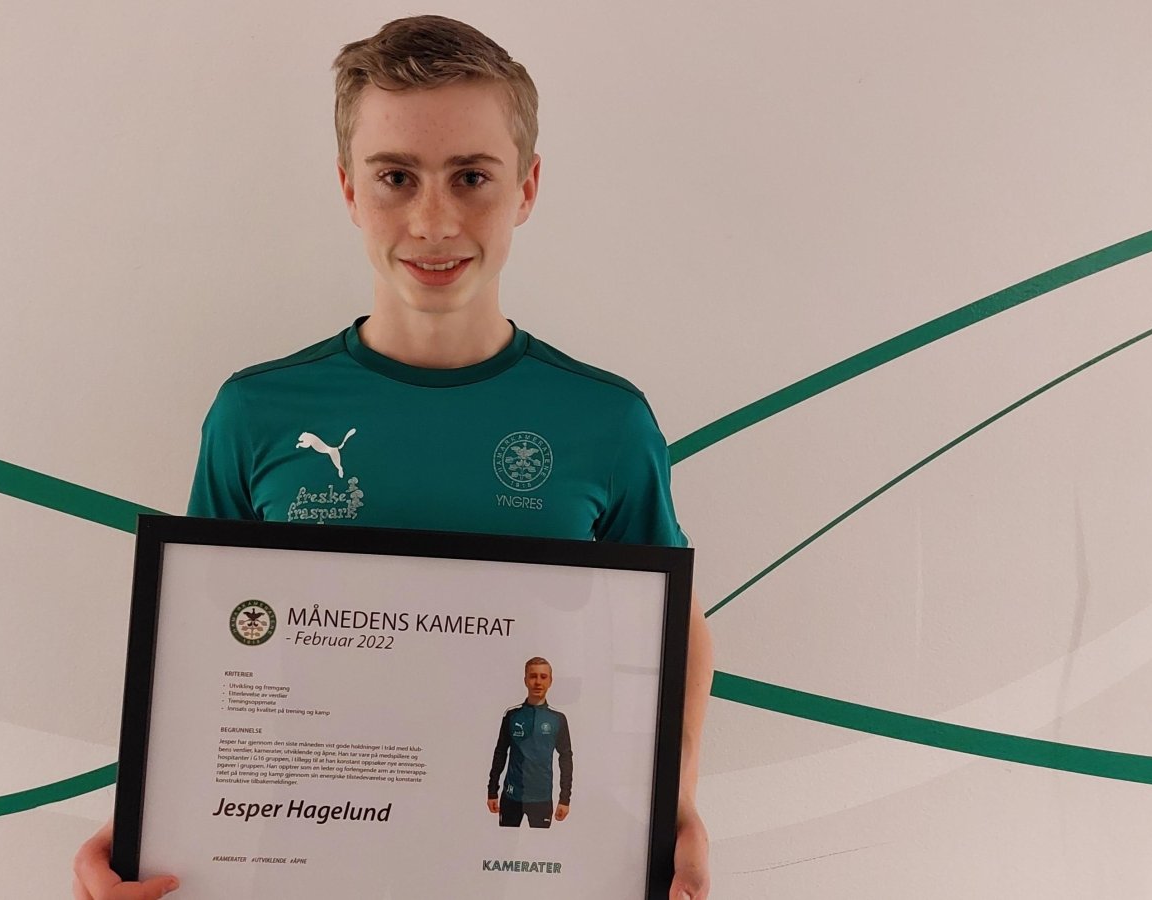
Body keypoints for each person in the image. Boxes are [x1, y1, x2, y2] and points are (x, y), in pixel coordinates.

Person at [73, 15, 713, 899]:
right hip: (300, 869)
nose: (433, 221)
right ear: (349, 188)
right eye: (396, 177)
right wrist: (145, 822)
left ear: (527, 187)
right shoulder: (256, 415)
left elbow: (674, 630)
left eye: (471, 177)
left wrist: (676, 805)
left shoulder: (606, 421)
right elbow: (201, 653)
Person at [488, 657, 572, 828]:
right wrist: (492, 791)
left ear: (550, 681)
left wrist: (565, 799)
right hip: (511, 796)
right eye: (533, 676)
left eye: (543, 677)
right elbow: (500, 753)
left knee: (541, 843)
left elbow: (565, 758)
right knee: (506, 842)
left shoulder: (557, 719)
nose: (538, 682)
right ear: (525, 680)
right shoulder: (512, 715)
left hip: (542, 798)